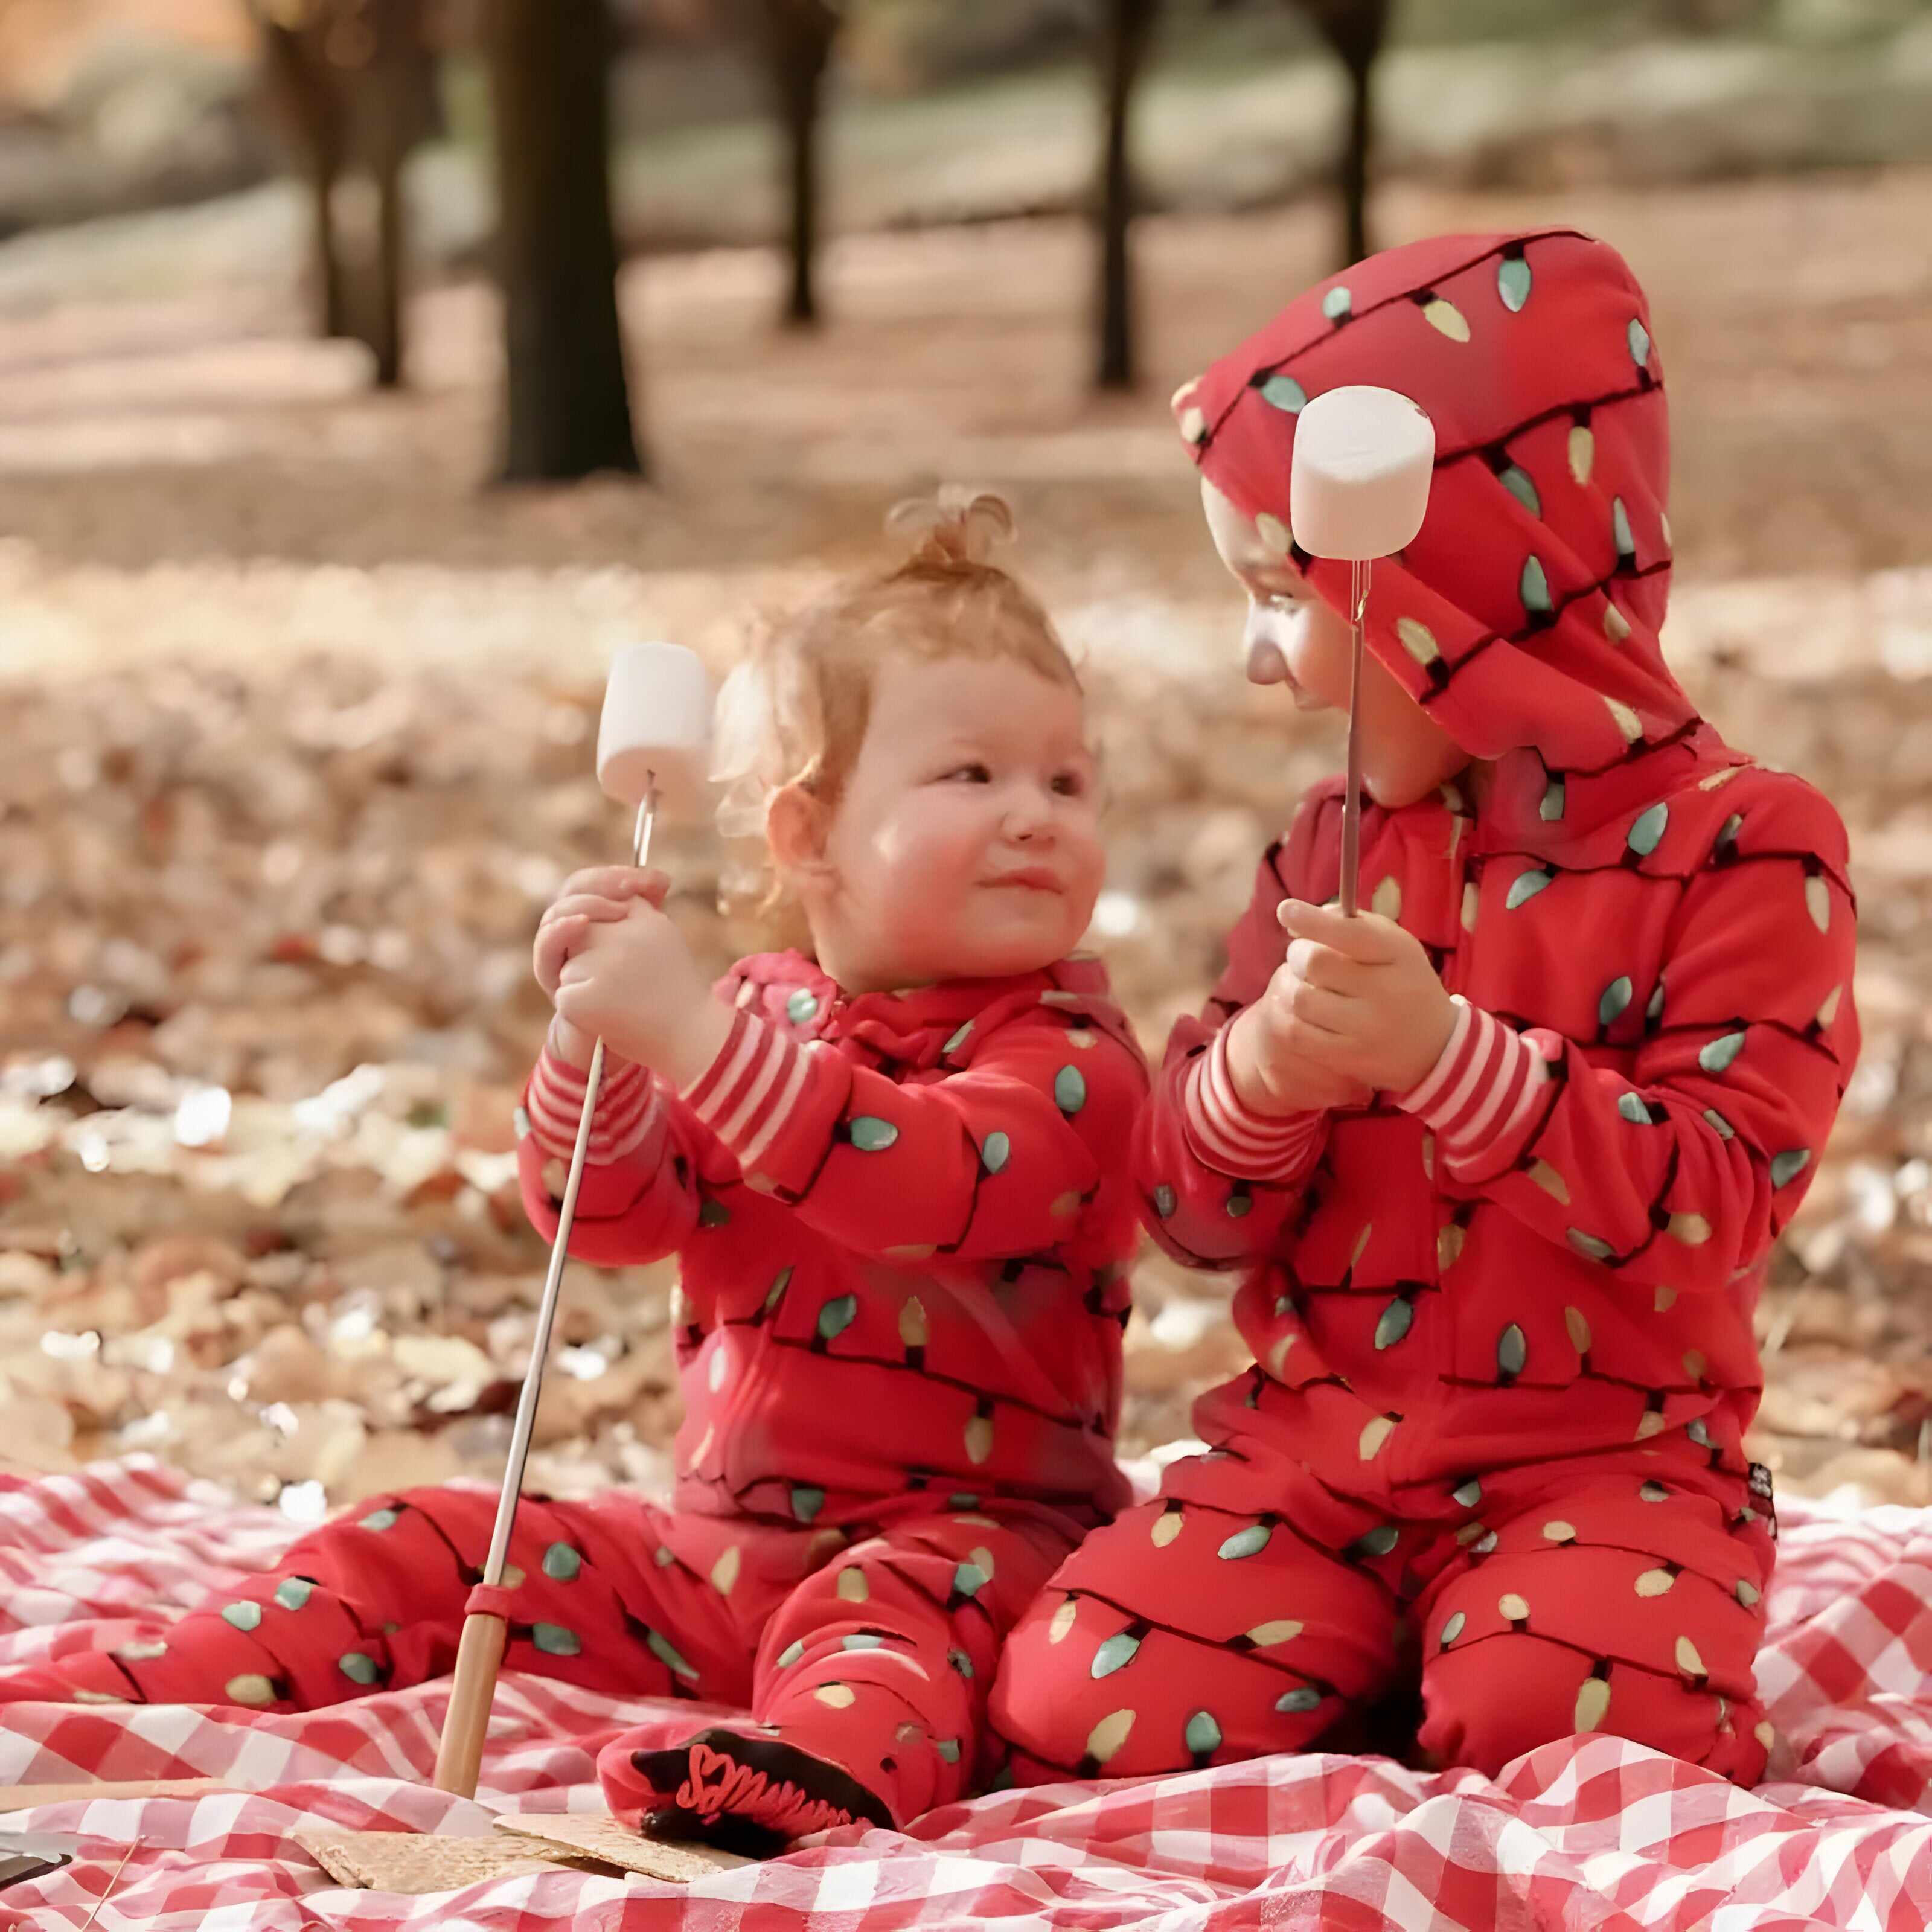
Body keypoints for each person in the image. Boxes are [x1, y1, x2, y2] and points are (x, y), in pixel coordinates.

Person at [5, 492, 1147, 1851]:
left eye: (1066, 781)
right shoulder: (753, 1011)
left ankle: (790, 1784)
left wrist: (686, 1035)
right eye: (974, 776)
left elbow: (924, 1187)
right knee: (429, 1543)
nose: (1034, 814)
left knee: (890, 1627)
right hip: (708, 1555)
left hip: (977, 1538)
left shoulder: (1071, 1056)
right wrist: (589, 1047)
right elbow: (607, 1215)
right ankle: (103, 1703)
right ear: (806, 837)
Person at [992, 229, 1858, 1790]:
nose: (1265, 666)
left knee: (1577, 1733)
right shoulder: (1330, 851)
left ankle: (1515, 1648)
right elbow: (1192, 1214)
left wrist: (1457, 1065)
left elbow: (1723, 1199)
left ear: (1448, 583)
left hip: (1605, 1464)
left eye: (1286, 595)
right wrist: (1258, 1077)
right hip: (1314, 1462)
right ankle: (1406, 1652)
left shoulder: (1746, 844)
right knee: (1077, 1702)